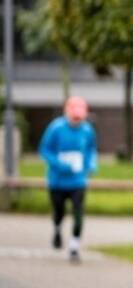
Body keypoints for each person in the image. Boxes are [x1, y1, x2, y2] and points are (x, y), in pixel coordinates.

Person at [38, 95, 98, 262]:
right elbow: (44, 150)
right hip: (57, 180)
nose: (76, 120)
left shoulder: (87, 130)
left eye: (79, 117)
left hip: (78, 180)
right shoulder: (56, 128)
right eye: (74, 116)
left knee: (78, 214)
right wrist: (59, 164)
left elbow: (91, 150)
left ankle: (74, 247)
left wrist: (91, 164)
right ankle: (57, 228)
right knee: (59, 212)